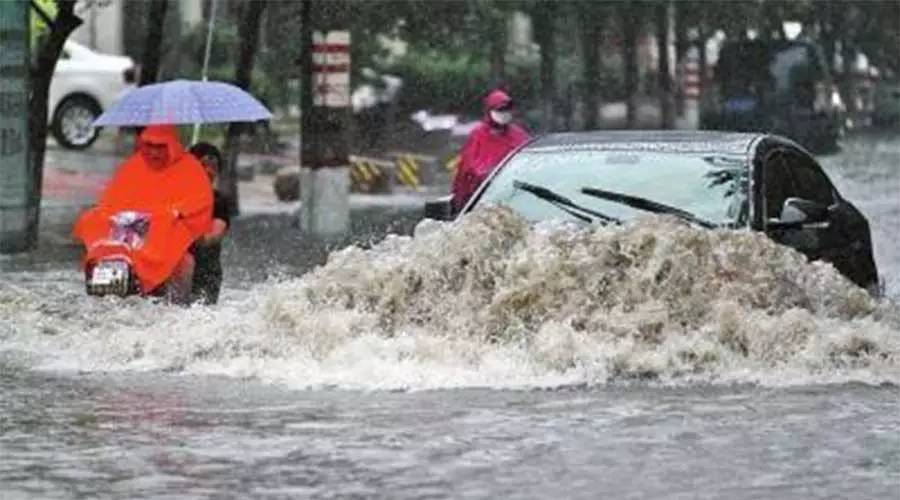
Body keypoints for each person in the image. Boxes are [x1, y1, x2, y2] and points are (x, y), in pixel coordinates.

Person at [73, 125, 213, 304]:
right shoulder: (133, 166)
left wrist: (173, 213)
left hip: (169, 239)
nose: (154, 153)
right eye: (149, 145)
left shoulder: (190, 168)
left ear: (171, 145)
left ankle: (177, 314)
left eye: (160, 146)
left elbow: (200, 202)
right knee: (94, 223)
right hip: (130, 238)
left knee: (184, 263)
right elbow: (110, 202)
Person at [451, 88, 531, 213]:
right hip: (484, 203)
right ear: (489, 110)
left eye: (507, 109)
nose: (504, 113)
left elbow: (530, 164)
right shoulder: (478, 136)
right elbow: (468, 172)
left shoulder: (518, 135)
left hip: (518, 201)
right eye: (500, 109)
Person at [187, 142, 231, 305]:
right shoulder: (174, 198)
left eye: (214, 167)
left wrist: (192, 233)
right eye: (203, 165)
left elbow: (215, 234)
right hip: (172, 269)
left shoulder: (219, 201)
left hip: (206, 274)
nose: (209, 171)